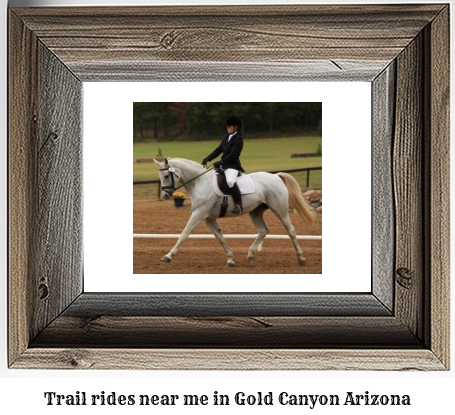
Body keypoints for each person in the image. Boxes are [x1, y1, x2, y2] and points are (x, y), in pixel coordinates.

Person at [202, 116, 244, 214]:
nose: (227, 128)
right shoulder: (227, 138)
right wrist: (208, 158)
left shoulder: (238, 139)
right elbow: (218, 150)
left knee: (230, 181)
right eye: (227, 126)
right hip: (224, 165)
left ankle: (238, 205)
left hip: (233, 166)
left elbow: (234, 154)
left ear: (236, 127)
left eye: (229, 126)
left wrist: (221, 162)